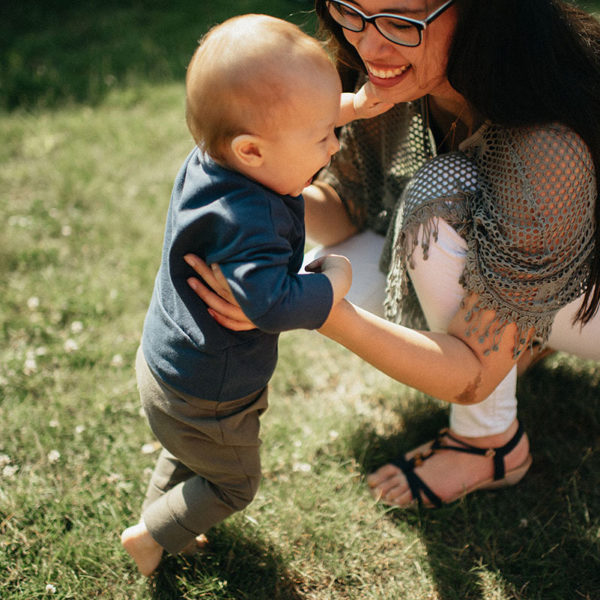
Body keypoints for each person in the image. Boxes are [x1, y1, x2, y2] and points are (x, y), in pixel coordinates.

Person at [185, 0, 600, 510]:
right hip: (559, 272)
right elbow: (348, 210)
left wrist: (320, 309)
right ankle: (523, 341)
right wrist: (250, 180)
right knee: (328, 261)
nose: (369, 46)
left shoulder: (545, 141)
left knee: (439, 199)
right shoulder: (395, 74)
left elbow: (468, 376)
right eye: (350, 11)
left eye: (401, 20)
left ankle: (489, 444)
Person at [119, 13, 395, 576]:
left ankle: (161, 518)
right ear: (251, 151)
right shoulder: (252, 221)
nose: (335, 144)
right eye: (324, 136)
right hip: (212, 393)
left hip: (169, 369)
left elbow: (287, 119)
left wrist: (352, 106)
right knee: (233, 483)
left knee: (189, 451)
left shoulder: (213, 158)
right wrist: (334, 279)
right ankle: (151, 534)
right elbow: (270, 304)